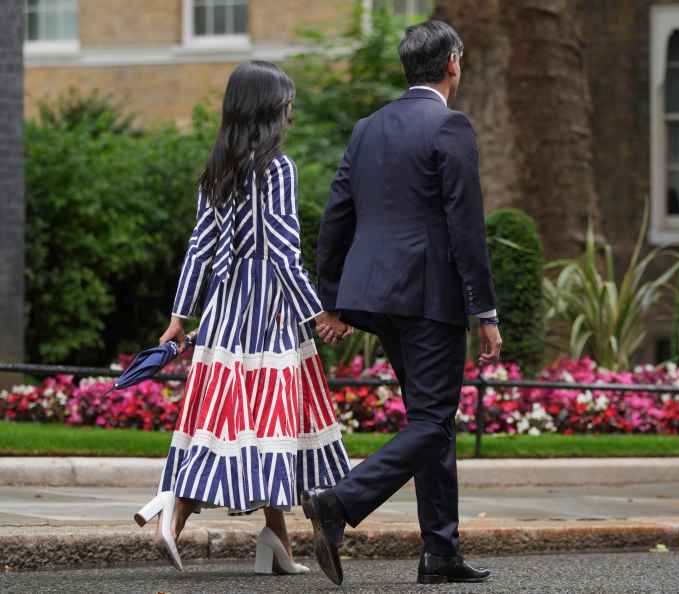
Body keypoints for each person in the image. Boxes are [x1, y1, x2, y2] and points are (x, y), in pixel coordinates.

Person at [135, 60, 353, 575]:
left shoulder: (217, 168)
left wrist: (179, 315)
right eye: (286, 101)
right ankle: (177, 508)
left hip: (225, 309)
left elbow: (200, 247)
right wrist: (316, 312)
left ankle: (276, 541)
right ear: (268, 109)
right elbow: (282, 249)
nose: (291, 109)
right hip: (268, 311)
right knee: (272, 417)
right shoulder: (278, 168)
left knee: (242, 417)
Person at [308, 20, 502, 585]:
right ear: (453, 65)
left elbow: (336, 216)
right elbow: (468, 229)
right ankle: (340, 502)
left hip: (374, 296)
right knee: (434, 419)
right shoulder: (450, 125)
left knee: (428, 420)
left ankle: (440, 552)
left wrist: (334, 299)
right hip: (429, 298)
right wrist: (484, 312)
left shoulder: (368, 127)